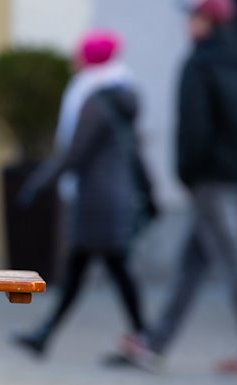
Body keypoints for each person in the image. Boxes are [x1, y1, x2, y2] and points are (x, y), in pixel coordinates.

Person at [119, 0, 237, 373]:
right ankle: (155, 343)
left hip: (210, 180)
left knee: (235, 260)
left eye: (194, 16)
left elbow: (193, 127)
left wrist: (188, 173)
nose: (188, 24)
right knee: (193, 262)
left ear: (208, 21)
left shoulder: (200, 62)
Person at [13, 29, 153, 357]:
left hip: (96, 201)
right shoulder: (122, 95)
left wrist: (36, 184)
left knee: (108, 270)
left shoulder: (94, 100)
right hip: (113, 196)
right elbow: (134, 149)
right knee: (88, 270)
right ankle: (45, 335)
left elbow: (74, 154)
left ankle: (144, 335)